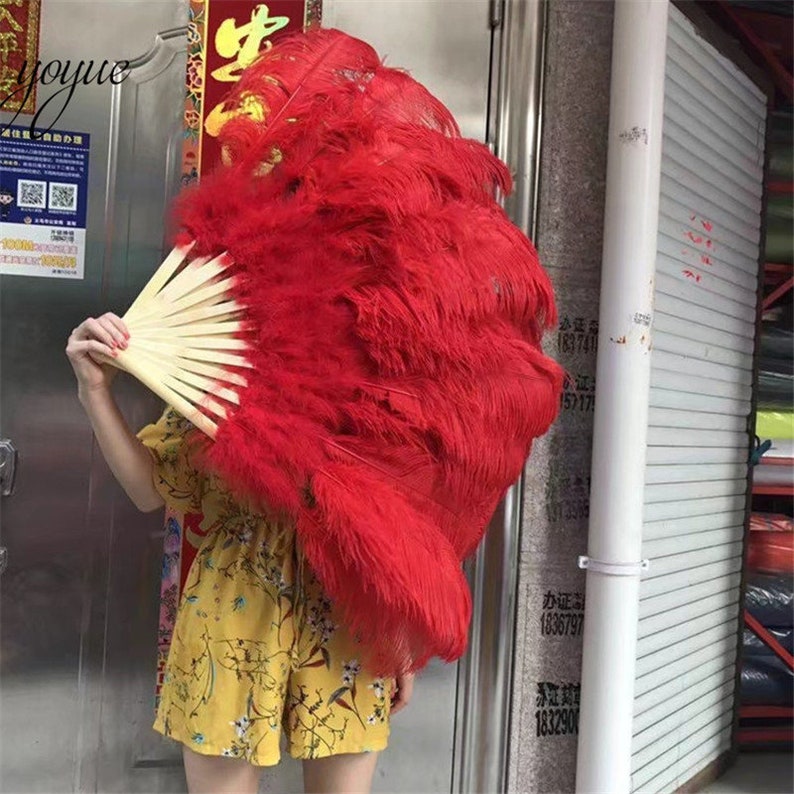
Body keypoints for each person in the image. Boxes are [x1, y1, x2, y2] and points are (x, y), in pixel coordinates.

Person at [66, 313, 415, 794]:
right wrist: (95, 392)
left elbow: (399, 518)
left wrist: (400, 626)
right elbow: (150, 488)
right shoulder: (223, 359)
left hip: (347, 604)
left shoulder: (377, 369)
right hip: (233, 610)